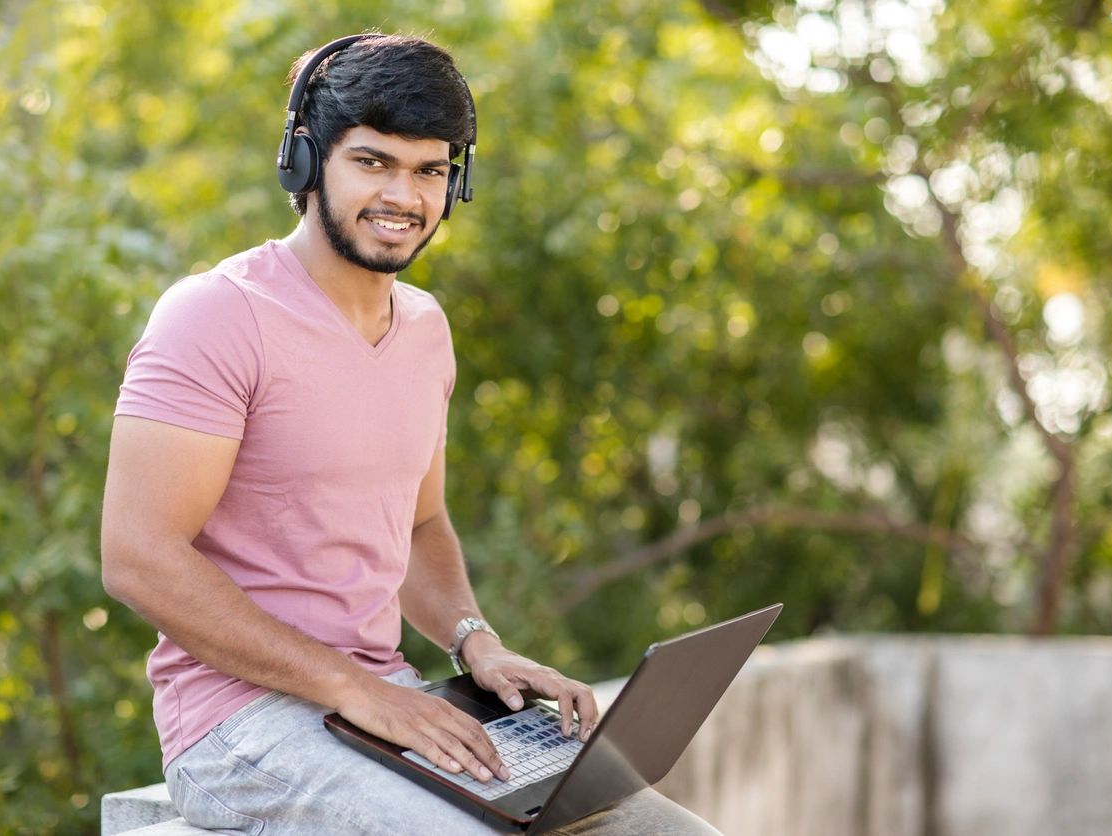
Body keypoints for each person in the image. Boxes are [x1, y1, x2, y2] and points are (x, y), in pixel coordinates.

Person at [101, 33, 719, 835]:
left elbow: (420, 525)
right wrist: (356, 691)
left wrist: (476, 645)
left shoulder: (426, 327)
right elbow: (139, 557)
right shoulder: (215, 316)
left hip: (389, 701)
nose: (404, 194)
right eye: (373, 162)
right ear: (304, 159)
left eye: (430, 170)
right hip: (240, 732)